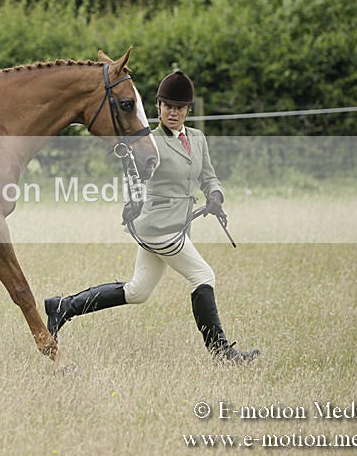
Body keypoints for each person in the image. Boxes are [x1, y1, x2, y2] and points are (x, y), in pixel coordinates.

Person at [45, 70, 259, 363]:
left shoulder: (197, 139)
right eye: (167, 106)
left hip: (178, 226)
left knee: (137, 291)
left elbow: (209, 177)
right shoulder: (148, 141)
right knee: (203, 276)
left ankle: (62, 307)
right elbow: (133, 175)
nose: (173, 112)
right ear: (158, 106)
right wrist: (131, 202)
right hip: (157, 227)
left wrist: (215, 196)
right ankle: (221, 353)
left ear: (188, 110)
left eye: (179, 107)